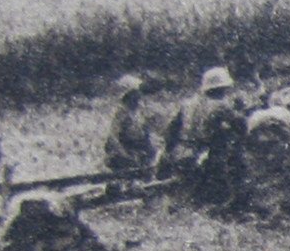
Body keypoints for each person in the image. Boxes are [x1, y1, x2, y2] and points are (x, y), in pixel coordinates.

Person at [164, 65, 248, 205]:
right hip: (206, 155)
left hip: (182, 151)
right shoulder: (221, 105)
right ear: (223, 88)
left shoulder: (187, 104)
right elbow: (241, 127)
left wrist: (170, 151)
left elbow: (171, 129)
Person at [101, 74, 160, 177]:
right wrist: (125, 155)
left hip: (139, 153)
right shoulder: (121, 113)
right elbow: (112, 137)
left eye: (139, 95)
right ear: (128, 96)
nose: (138, 98)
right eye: (135, 95)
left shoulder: (138, 113)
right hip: (123, 154)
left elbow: (147, 134)